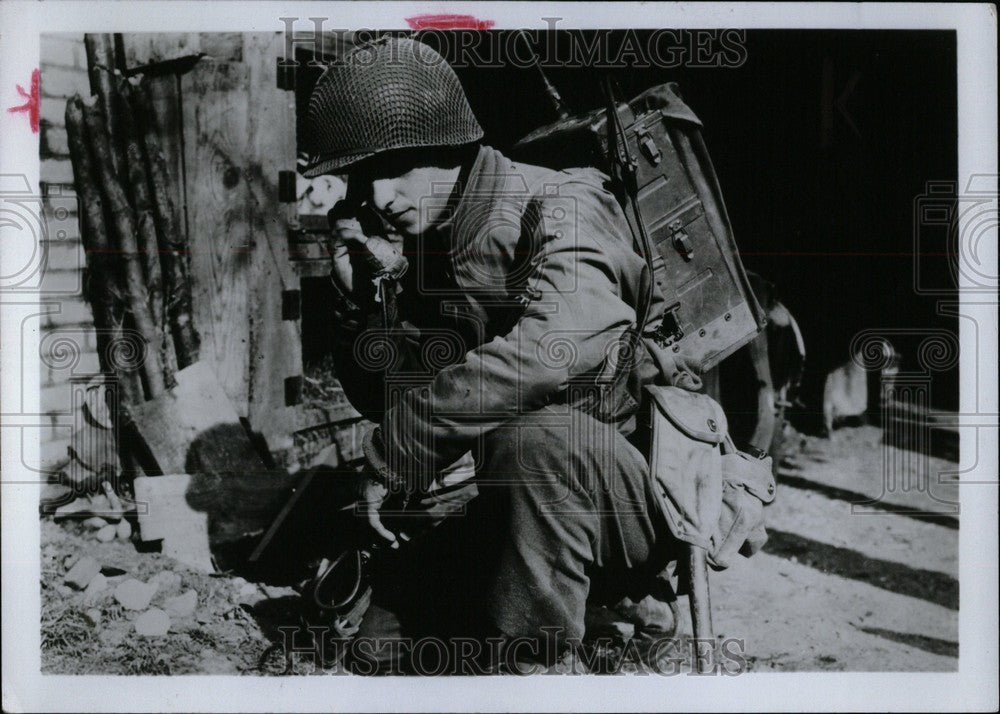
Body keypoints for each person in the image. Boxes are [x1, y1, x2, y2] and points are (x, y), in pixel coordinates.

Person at [301, 36, 701, 673]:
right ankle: (601, 614)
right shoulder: (434, 241)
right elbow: (391, 399)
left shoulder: (562, 202)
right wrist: (361, 305)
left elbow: (550, 351)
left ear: (450, 145)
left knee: (535, 441)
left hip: (620, 499)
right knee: (376, 649)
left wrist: (401, 445)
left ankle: (542, 664)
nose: (379, 197)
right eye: (362, 177)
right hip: (506, 505)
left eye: (395, 168)